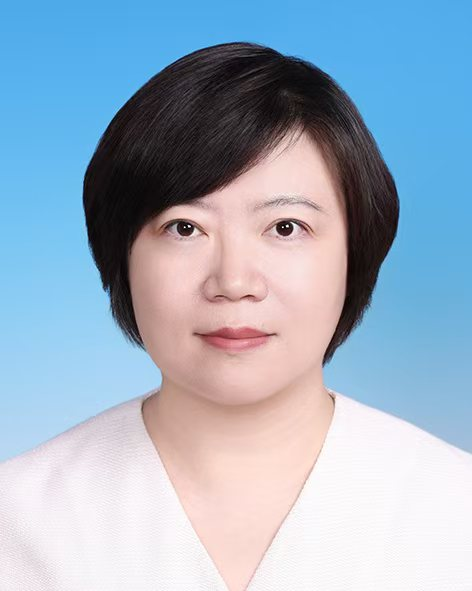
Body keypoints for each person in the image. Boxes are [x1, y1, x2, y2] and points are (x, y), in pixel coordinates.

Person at [0, 40, 471, 591]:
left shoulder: (453, 510)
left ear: (356, 249)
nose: (234, 282)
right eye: (184, 228)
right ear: (120, 253)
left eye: (286, 227)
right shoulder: (18, 521)